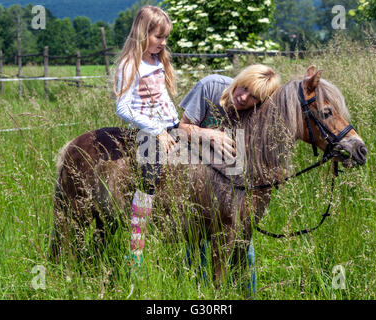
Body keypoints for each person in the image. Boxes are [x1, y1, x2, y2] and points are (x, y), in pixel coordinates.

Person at [178, 64, 281, 297]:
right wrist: (207, 134)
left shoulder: (260, 111)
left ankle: (248, 295)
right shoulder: (210, 86)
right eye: (243, 87)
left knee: (245, 249)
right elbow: (179, 130)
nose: (243, 97)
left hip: (235, 188)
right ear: (239, 79)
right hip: (198, 185)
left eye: (253, 96)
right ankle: (202, 297)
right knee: (199, 250)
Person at [114, 5, 178, 269]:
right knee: (149, 179)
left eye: (165, 38)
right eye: (158, 37)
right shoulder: (130, 64)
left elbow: (162, 99)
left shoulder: (157, 60)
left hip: (171, 124)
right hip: (148, 131)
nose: (162, 43)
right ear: (143, 33)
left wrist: (175, 124)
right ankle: (136, 246)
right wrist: (155, 129)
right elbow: (122, 107)